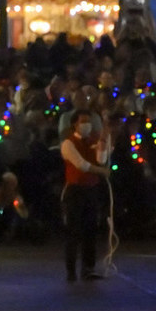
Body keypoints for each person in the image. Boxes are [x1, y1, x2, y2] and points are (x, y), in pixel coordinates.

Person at [60, 110, 112, 281]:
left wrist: (103, 142)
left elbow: (101, 159)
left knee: (90, 230)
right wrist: (102, 171)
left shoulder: (93, 141)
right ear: (75, 123)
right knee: (73, 231)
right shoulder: (68, 144)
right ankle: (71, 270)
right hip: (75, 191)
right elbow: (81, 165)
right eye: (83, 121)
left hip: (91, 190)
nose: (86, 125)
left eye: (88, 121)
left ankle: (88, 268)